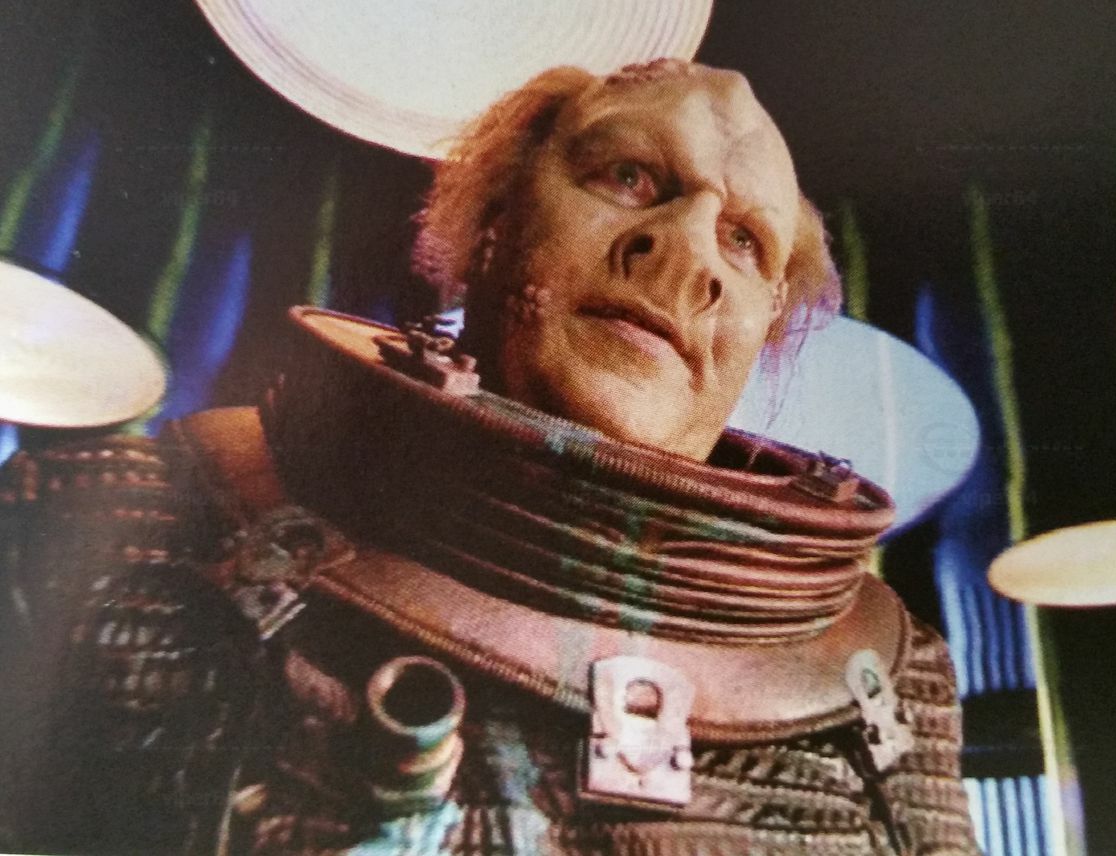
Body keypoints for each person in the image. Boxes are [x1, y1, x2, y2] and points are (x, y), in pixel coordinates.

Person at [0, 60, 979, 855]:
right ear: (498, 214)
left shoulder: (889, 669)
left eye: (745, 241)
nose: (687, 256)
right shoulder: (124, 516)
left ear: (764, 327)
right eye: (630, 177)